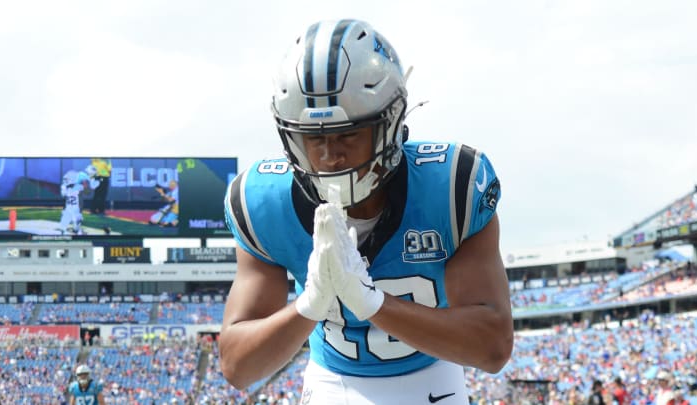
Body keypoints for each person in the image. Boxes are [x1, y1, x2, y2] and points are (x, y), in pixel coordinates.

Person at [220, 19, 513, 404]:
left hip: (431, 378)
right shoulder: (263, 202)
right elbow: (238, 367)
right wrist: (309, 305)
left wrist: (371, 303)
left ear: (390, 124)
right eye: (313, 139)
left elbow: (492, 348)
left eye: (348, 134)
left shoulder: (452, 187)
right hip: (333, 382)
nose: (329, 156)